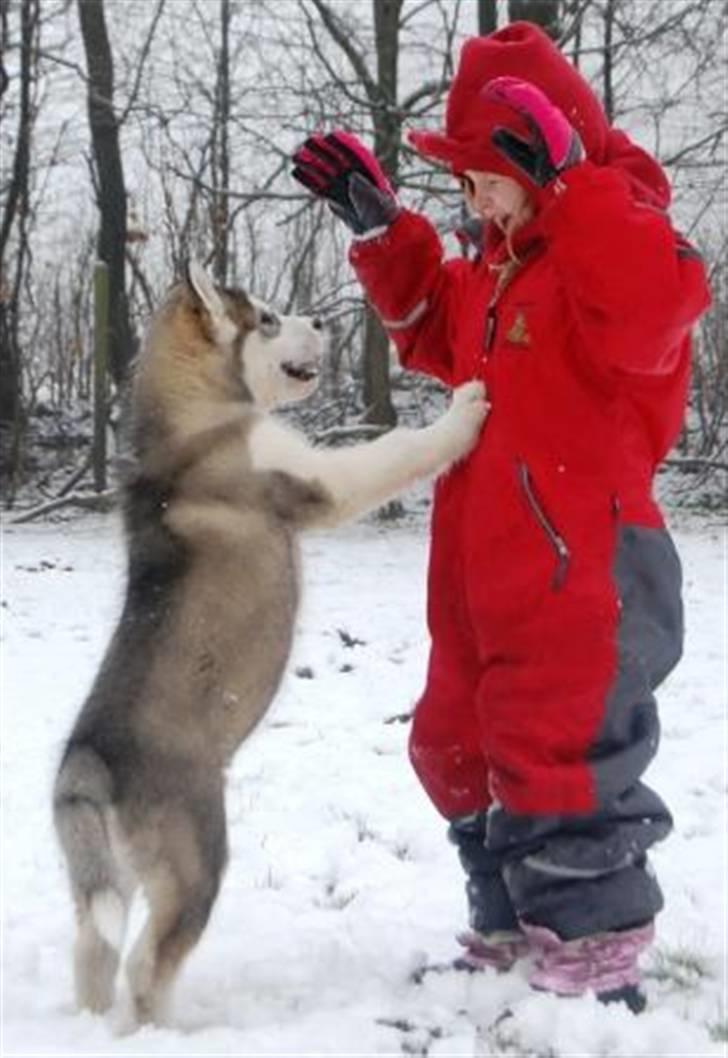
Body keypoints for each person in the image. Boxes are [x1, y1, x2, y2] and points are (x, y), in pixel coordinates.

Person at [291, 21, 711, 1012]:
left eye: (488, 177)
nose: (473, 199)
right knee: (456, 739)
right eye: (465, 181)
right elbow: (439, 330)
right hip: (486, 559)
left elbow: (651, 315)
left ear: (542, 156)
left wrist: (577, 189)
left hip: (587, 563)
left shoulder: (621, 245)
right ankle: (513, 924)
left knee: (556, 749)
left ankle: (594, 953)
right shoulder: (498, 262)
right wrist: (385, 231)